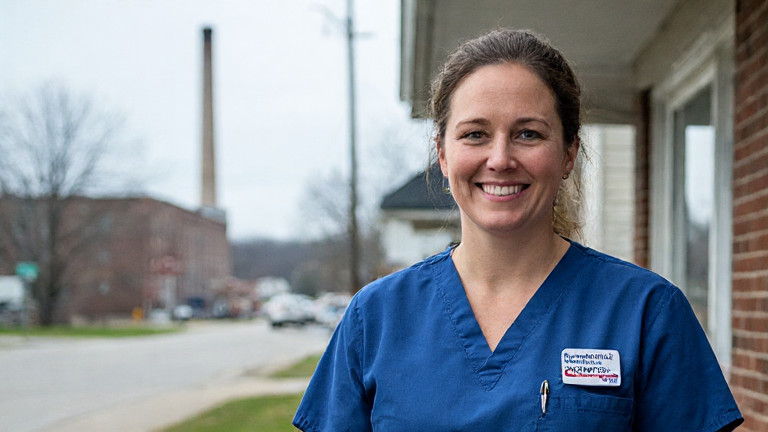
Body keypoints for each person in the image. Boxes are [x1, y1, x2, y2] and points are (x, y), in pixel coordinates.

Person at [293, 29, 743, 431]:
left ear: (569, 152)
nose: (501, 158)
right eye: (475, 134)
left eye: (528, 134)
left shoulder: (645, 312)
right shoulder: (375, 319)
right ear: (443, 155)